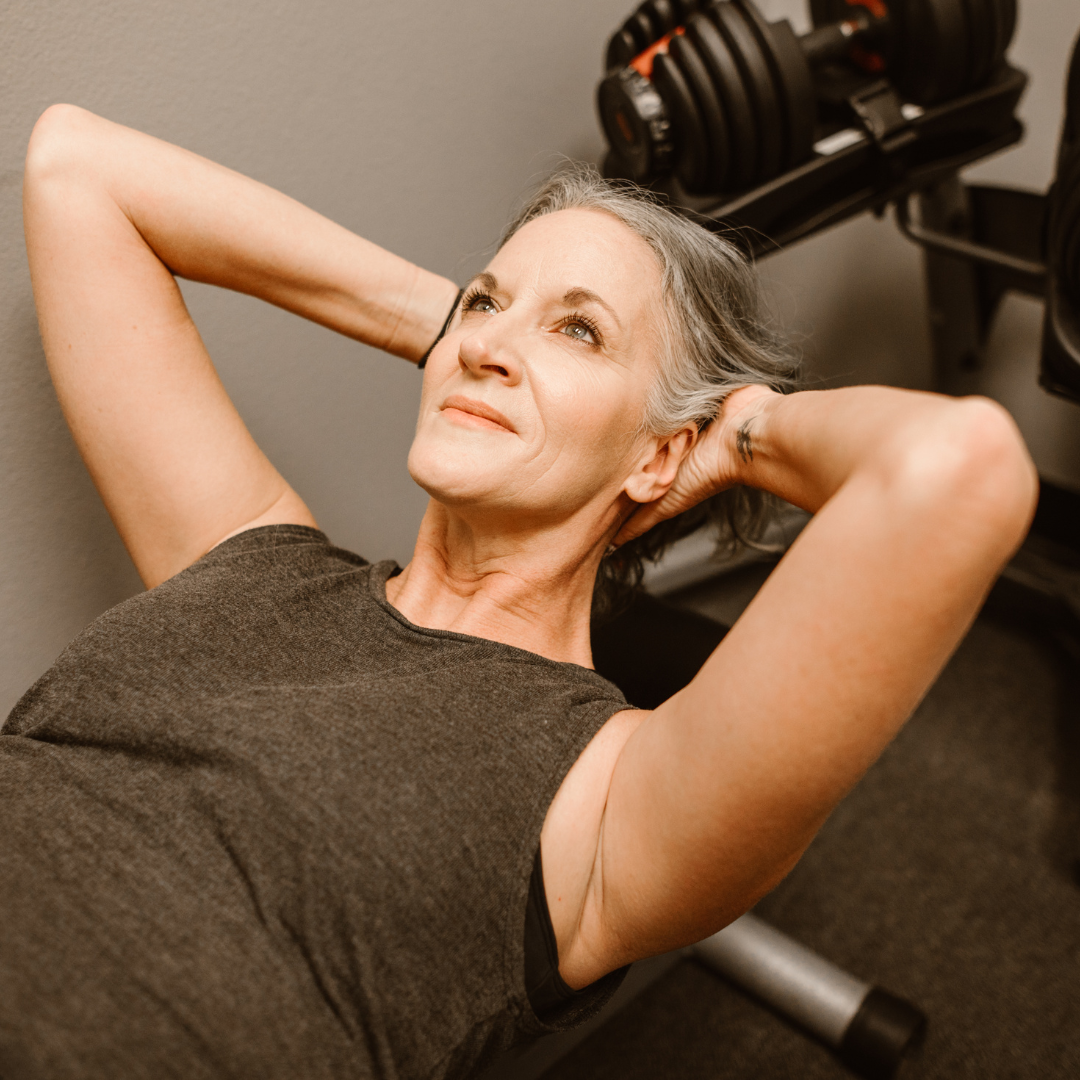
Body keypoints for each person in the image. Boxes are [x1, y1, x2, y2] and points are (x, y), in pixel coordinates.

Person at [4, 103, 1035, 1080]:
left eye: (579, 333)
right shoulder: (246, 555)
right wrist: (451, 328)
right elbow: (76, 168)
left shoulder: (603, 805)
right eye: (487, 299)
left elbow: (959, 468)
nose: (490, 341)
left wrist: (740, 433)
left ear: (659, 452)